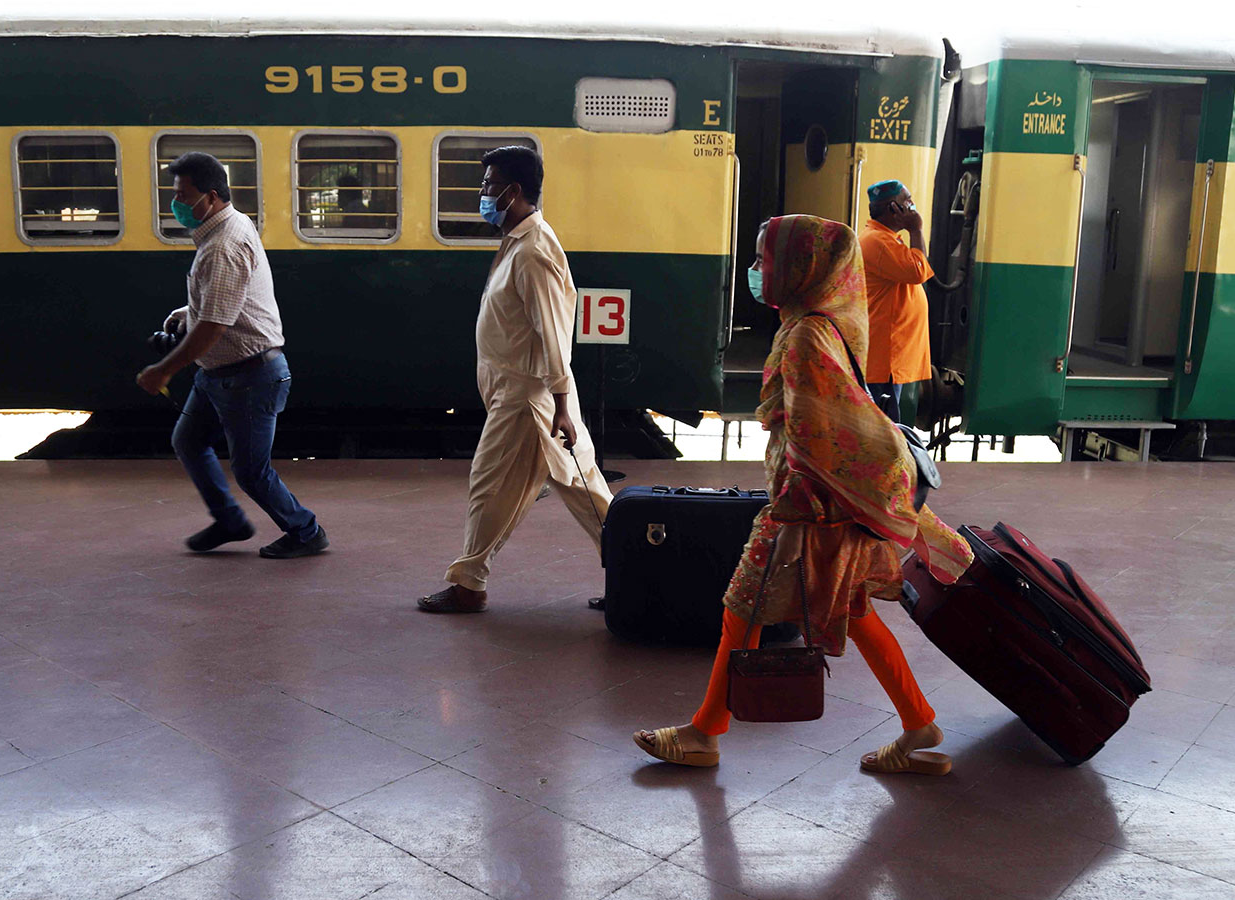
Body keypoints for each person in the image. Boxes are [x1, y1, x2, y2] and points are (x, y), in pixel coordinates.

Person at [632, 215, 973, 775]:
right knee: (853, 610)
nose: (756, 271)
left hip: (812, 507)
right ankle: (917, 723)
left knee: (742, 611)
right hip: (837, 506)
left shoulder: (807, 336)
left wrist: (792, 501)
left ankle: (704, 733)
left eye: (765, 260)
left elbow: (819, 433)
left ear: (799, 268)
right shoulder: (824, 321)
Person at [417, 145, 612, 613]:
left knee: (489, 485)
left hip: (528, 398)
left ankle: (469, 583)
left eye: (488, 185)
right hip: (528, 393)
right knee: (589, 495)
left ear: (514, 190)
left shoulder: (534, 252)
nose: (482, 193)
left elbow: (552, 332)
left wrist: (561, 404)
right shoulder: (519, 241)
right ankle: (641, 572)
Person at [136, 152, 328, 559]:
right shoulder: (227, 224)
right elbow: (227, 301)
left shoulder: (222, 244)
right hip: (219, 373)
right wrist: (189, 310)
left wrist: (162, 371)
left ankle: (306, 531)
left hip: (249, 375)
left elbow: (214, 327)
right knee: (188, 441)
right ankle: (229, 520)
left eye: (182, 195)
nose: (176, 203)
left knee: (251, 472)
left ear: (210, 196)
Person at [860, 180, 934, 425]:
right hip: (884, 357)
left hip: (890, 355)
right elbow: (918, 272)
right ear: (894, 208)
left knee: (887, 424)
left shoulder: (886, 239)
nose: (912, 207)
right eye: (907, 201)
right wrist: (916, 230)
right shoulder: (878, 242)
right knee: (883, 428)